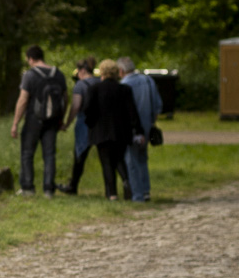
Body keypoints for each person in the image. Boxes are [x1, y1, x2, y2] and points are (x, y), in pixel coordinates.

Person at [11, 45, 70, 196]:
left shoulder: (29, 75)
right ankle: (49, 189)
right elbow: (65, 98)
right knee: (49, 154)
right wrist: (61, 119)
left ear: (30, 59)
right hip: (53, 120)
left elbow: (23, 100)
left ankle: (28, 188)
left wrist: (15, 123)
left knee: (27, 153)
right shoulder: (58, 74)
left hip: (33, 119)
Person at [81, 59, 143, 201]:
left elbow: (88, 110)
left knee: (106, 162)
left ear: (102, 72)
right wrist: (138, 130)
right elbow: (132, 112)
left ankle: (112, 193)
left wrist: (90, 124)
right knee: (119, 159)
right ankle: (126, 181)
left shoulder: (95, 89)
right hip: (121, 131)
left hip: (101, 131)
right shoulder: (124, 89)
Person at [118, 57, 163, 202]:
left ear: (121, 71)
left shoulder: (124, 85)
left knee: (131, 161)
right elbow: (157, 106)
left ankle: (137, 195)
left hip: (132, 128)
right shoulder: (148, 81)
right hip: (147, 126)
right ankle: (145, 191)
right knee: (143, 159)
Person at [60, 58, 97, 195]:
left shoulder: (80, 86)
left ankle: (73, 186)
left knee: (80, 156)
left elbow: (75, 107)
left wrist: (67, 123)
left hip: (85, 123)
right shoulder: (100, 82)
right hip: (101, 124)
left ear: (82, 71)